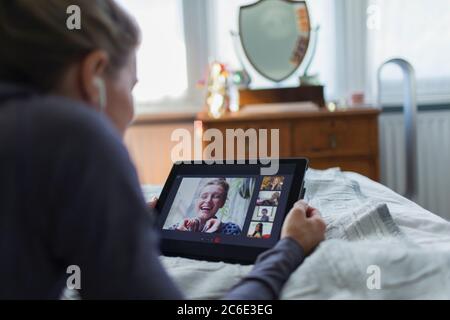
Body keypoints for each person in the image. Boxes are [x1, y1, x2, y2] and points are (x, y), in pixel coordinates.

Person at [0, 0, 326, 299]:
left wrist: (116, 222)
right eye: (131, 87)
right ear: (93, 76)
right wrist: (288, 248)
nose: (132, 111)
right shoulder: (73, 136)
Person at [169, 178, 242, 235]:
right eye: (204, 196)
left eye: (216, 197)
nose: (208, 200)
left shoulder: (231, 229)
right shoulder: (178, 227)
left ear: (222, 203)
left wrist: (212, 231)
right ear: (197, 200)